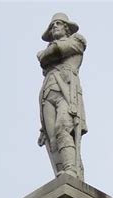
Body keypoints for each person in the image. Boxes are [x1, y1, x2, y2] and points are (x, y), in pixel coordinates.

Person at [37, 13, 87, 179]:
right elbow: (44, 59)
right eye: (52, 25)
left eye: (58, 24)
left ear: (66, 27)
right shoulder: (51, 49)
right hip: (47, 94)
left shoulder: (77, 41)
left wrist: (46, 55)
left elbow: (55, 52)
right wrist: (46, 56)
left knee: (63, 128)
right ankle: (61, 173)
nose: (55, 27)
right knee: (52, 139)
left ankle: (72, 170)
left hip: (66, 92)